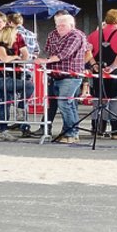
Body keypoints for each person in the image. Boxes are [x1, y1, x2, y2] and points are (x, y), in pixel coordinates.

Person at [37, 12, 88, 143]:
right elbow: (47, 49)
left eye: (62, 26)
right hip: (54, 75)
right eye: (57, 25)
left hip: (71, 76)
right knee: (67, 105)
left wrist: (45, 61)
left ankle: (71, 133)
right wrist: (42, 58)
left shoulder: (76, 36)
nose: (59, 28)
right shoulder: (52, 34)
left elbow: (64, 54)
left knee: (65, 104)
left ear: (72, 25)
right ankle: (69, 132)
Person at [84, 8, 117, 139]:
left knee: (99, 100)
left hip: (98, 70)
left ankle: (98, 129)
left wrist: (94, 65)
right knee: (116, 99)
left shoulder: (94, 34)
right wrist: (112, 67)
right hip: (116, 71)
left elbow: (88, 52)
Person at [0, 23, 28, 141]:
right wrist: (15, 57)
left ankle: (3, 131)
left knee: (4, 105)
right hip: (0, 79)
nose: (16, 38)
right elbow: (4, 59)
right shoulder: (0, 47)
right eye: (15, 35)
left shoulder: (7, 48)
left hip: (5, 79)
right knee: (28, 86)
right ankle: (20, 109)